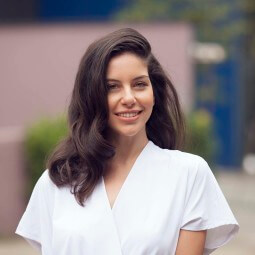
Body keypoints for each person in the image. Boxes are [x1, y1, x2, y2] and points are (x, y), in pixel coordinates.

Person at [16, 28, 239, 255]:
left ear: (154, 92)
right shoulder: (57, 182)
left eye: (139, 84)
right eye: (112, 87)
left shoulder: (189, 174)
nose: (129, 98)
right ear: (92, 96)